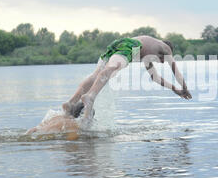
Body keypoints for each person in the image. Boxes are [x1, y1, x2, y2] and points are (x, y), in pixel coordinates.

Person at [62, 35, 192, 119]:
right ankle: (90, 97)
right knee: (115, 66)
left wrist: (175, 89)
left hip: (117, 43)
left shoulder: (147, 54)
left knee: (97, 74)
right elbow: (177, 72)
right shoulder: (165, 47)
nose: (163, 62)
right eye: (163, 59)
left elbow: (155, 78)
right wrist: (185, 88)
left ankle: (71, 103)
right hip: (130, 45)